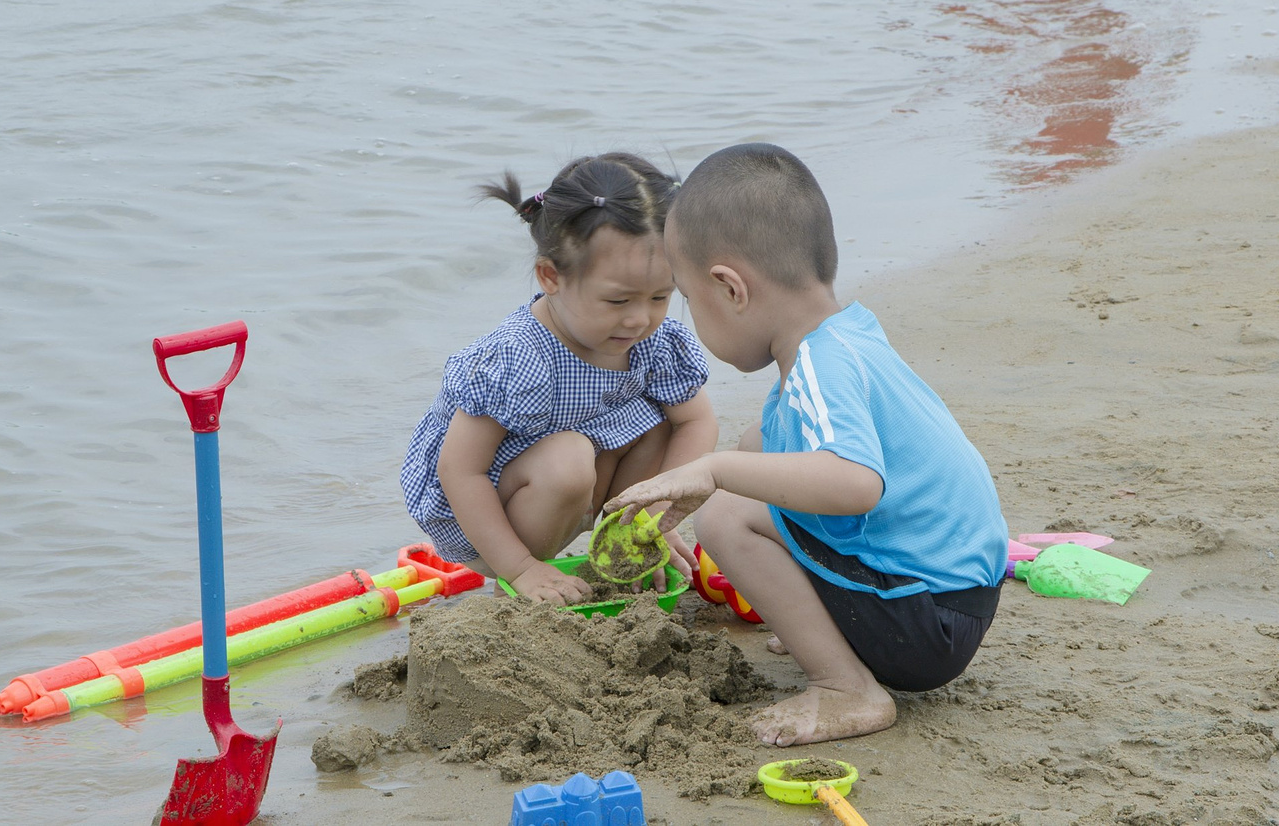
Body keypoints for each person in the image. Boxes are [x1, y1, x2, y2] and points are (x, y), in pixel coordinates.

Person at [604, 143, 1008, 746]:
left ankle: (847, 688)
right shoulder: (847, 336)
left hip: (926, 623)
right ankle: (820, 625)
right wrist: (733, 461)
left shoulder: (822, 367)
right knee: (758, 443)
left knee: (729, 512)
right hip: (953, 595)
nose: (686, 317)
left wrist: (714, 470)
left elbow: (855, 483)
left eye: (687, 299)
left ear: (730, 288)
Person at [402, 152, 719, 605]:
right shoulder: (518, 357)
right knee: (569, 456)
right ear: (551, 276)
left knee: (663, 418)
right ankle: (521, 581)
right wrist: (521, 567)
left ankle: (618, 541)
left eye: (659, 296)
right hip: (488, 517)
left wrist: (653, 518)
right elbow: (459, 470)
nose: (639, 319)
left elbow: (697, 422)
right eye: (617, 301)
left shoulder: (655, 341)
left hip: (583, 485)